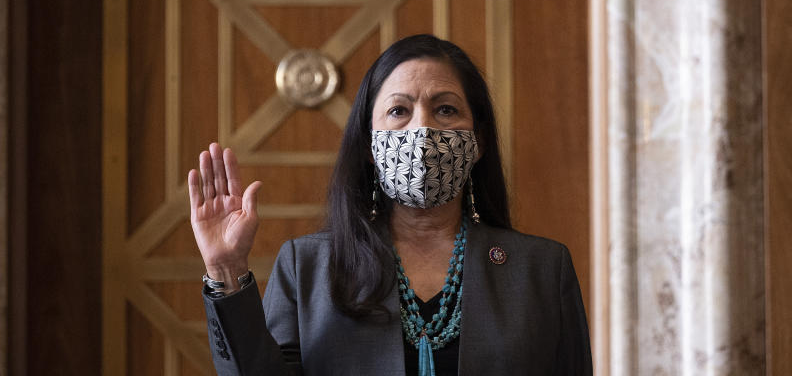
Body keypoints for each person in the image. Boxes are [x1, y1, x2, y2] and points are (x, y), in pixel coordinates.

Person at [188, 34, 592, 375]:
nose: (423, 128)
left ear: (478, 141)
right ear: (368, 144)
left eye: (446, 109)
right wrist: (226, 269)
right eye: (399, 110)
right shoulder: (308, 266)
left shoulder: (541, 268)